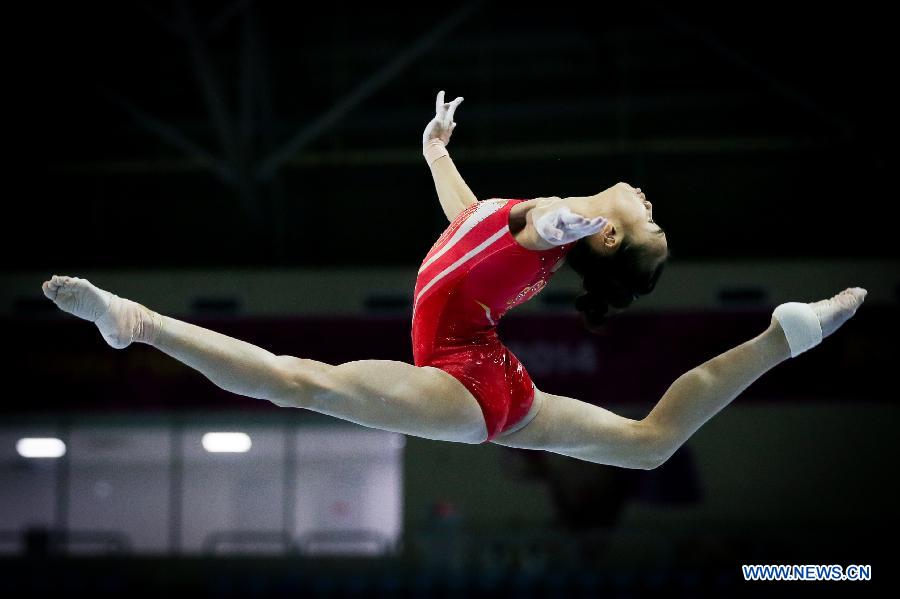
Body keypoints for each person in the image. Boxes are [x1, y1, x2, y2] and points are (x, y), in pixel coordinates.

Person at [41, 91, 867, 469]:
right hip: (496, 382)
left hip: (466, 381)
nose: (651, 200)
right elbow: (467, 219)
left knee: (304, 385)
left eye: (645, 218)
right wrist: (436, 150)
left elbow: (530, 225)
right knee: (650, 444)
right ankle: (785, 335)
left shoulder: (549, 225)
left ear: (606, 233)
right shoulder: (519, 231)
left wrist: (569, 220)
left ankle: (138, 324)